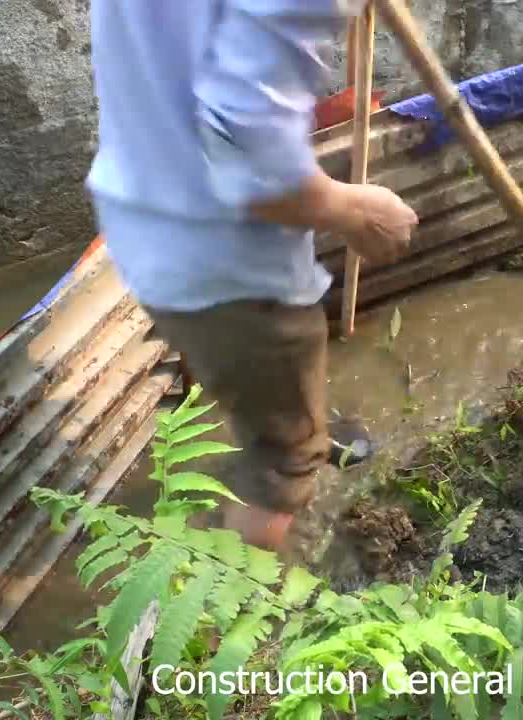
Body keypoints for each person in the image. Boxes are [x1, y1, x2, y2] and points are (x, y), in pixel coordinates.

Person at [85, 1, 419, 552]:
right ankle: (237, 603)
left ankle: (266, 423)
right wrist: (358, 212)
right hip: (230, 264)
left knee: (245, 380)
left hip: (141, 215)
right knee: (283, 461)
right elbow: (261, 174)